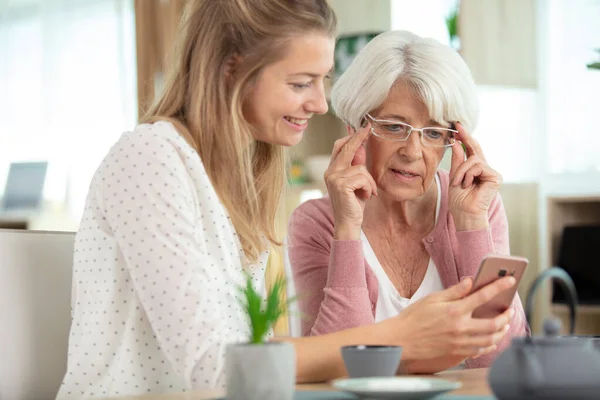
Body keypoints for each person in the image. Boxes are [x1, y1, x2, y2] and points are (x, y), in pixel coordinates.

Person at [57, 3, 517, 399]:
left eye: (323, 81)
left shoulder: (242, 185)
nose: (321, 104)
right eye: (301, 83)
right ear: (231, 69)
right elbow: (214, 367)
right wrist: (401, 336)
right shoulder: (151, 158)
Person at [287, 30, 529, 372]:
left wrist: (472, 225)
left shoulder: (479, 205)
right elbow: (337, 366)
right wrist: (347, 230)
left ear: (455, 141)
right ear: (354, 127)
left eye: (433, 134)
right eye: (393, 126)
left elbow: (502, 362)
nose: (412, 152)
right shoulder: (316, 222)